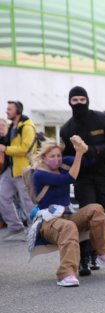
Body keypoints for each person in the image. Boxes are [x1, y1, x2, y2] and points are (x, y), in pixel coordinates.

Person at [27, 137, 105, 287]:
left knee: (96, 209)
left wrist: (84, 148)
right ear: (44, 158)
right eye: (52, 156)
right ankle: (66, 274)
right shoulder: (39, 174)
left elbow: (89, 161)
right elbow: (69, 178)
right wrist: (78, 154)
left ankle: (103, 253)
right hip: (48, 222)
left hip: (68, 215)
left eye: (58, 155)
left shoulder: (65, 163)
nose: (57, 159)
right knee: (68, 227)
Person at [60, 86, 105, 277]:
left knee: (104, 214)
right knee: (88, 213)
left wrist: (94, 150)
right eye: (75, 100)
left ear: (87, 100)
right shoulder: (66, 129)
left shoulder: (103, 119)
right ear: (69, 102)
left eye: (82, 99)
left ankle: (96, 251)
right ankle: (83, 257)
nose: (79, 103)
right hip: (84, 178)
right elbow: (66, 157)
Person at [0, 101, 38, 241]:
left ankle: (35, 230)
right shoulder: (12, 126)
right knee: (2, 196)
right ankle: (15, 228)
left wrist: (6, 149)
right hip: (11, 170)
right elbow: (7, 141)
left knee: (28, 202)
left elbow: (26, 149)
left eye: (9, 109)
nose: (7, 111)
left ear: (18, 110)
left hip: (24, 170)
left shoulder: (27, 126)